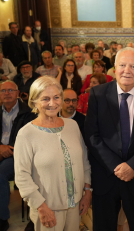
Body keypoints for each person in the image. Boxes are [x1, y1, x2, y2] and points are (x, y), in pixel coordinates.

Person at [85, 49, 134, 231]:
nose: (127, 70)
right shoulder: (97, 94)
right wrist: (115, 166)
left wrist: (132, 166)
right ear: (114, 68)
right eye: (122, 65)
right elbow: (91, 135)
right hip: (105, 175)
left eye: (133, 66)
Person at [14, 76, 91, 231]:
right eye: (45, 99)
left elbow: (84, 161)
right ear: (34, 101)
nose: (52, 103)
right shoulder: (26, 134)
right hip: (48, 207)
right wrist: (41, 207)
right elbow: (22, 176)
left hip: (75, 204)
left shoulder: (72, 125)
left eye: (56, 97)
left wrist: (87, 191)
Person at [0, 80, 36, 231]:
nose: (7, 93)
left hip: (18, 155)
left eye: (10, 90)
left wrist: (6, 151)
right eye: (3, 91)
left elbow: (27, 138)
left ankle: (0, 218)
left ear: (18, 93)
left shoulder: (29, 113)